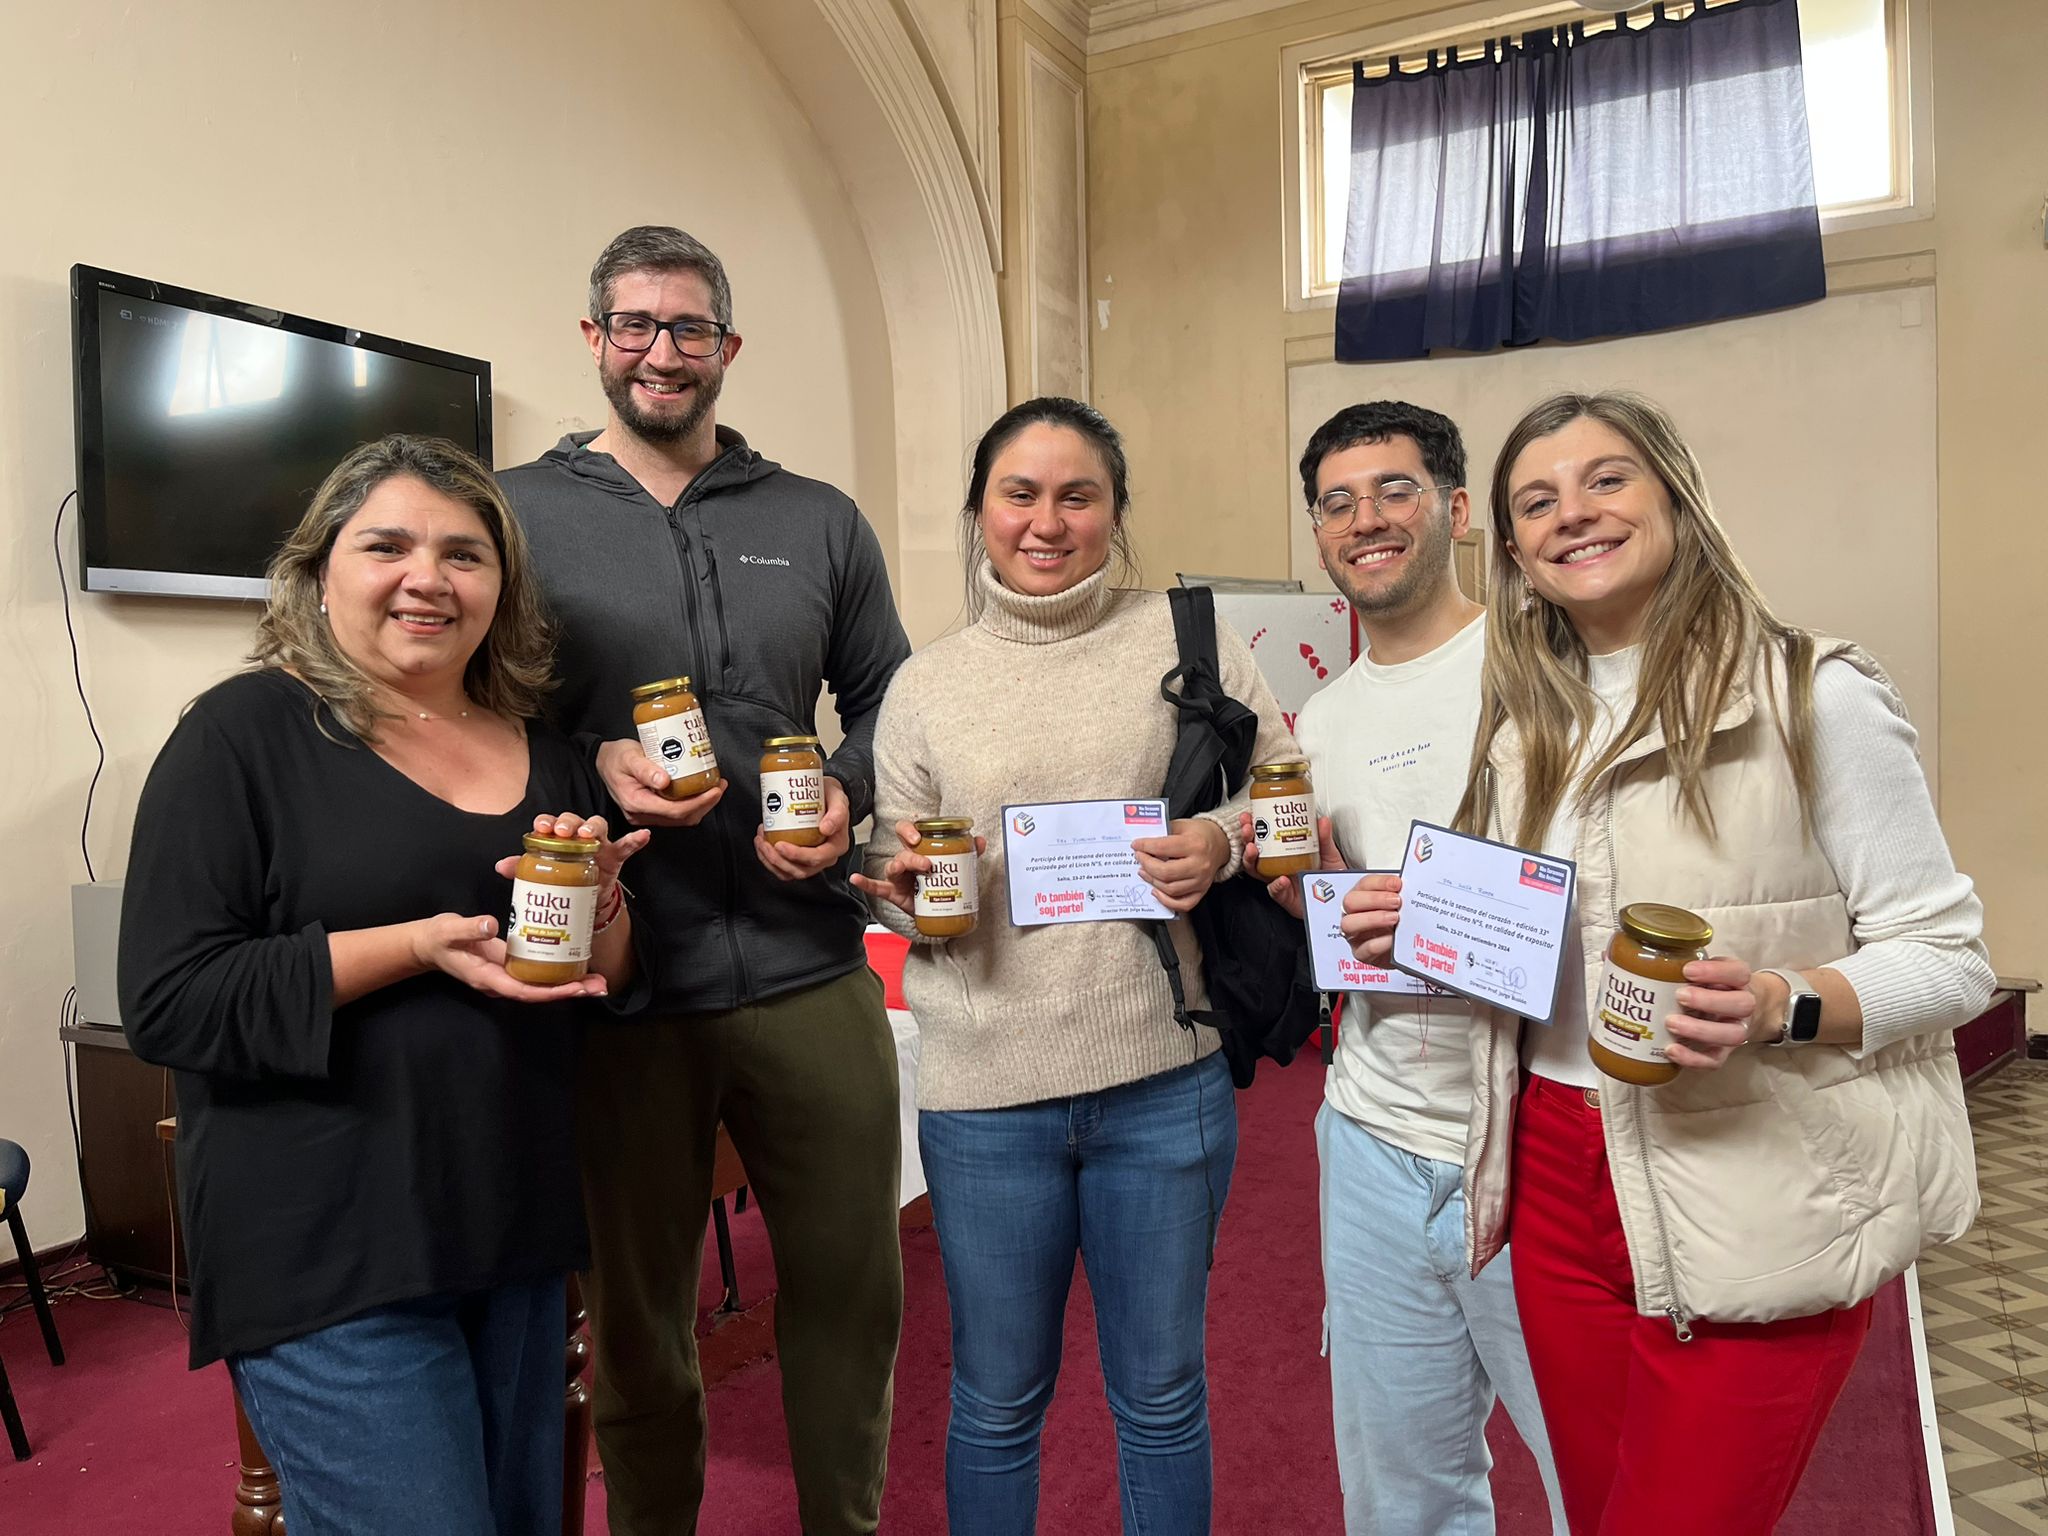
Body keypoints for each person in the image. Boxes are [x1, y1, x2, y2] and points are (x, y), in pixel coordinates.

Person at [1345, 390, 1992, 1535]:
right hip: (1550, 1176)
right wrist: (1432, 927)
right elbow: (1545, 948)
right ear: (1511, 550)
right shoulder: (1522, 721)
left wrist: (1780, 1003)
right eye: (1535, 501)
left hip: (1751, 1181)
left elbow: (1947, 962)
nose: (1571, 516)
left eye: (1605, 481)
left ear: (1675, 499)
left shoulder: (1812, 694)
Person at [118, 435, 649, 1536]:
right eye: (388, 545)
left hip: (507, 1221)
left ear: (501, 588)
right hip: (326, 1242)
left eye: (466, 554)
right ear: (321, 571)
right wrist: (409, 946)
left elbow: (605, 975)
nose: (429, 578)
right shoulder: (240, 736)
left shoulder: (542, 751)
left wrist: (600, 906)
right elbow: (171, 1000)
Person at [498, 225, 911, 1536]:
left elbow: (894, 693)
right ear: (593, 341)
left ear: (727, 348)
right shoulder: (513, 515)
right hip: (627, 981)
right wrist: (587, 752)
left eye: (687, 330)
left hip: (809, 962)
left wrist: (851, 785)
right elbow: (465, 709)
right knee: (639, 1325)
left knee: (854, 1291)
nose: (659, 353)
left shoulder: (818, 519)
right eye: (634, 326)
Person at [854, 397, 1297, 1535]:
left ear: (1113, 511)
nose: (1045, 522)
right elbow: (897, 853)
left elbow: (1284, 790)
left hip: (1164, 1080)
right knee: (996, 1402)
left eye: (1076, 495)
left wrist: (1220, 838)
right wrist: (895, 882)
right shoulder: (927, 685)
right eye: (1018, 493)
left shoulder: (1185, 640)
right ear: (978, 511)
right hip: (985, 1091)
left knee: (1159, 1396)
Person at [1246, 402, 1565, 1534]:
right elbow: (1341, 933)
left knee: (1602, 1478)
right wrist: (1306, 905)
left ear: (1457, 510)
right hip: (1372, 1135)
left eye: (1393, 490)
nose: (1363, 520)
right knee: (1403, 1498)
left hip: (1536, 1138)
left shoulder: (1547, 669)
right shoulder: (1315, 725)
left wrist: (1440, 918)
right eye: (1335, 501)